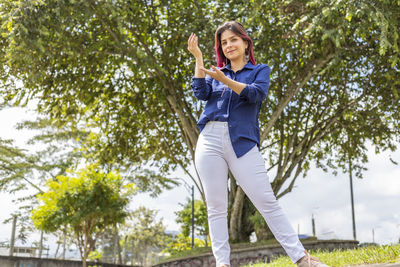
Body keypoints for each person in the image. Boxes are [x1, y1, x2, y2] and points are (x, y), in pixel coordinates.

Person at [187, 21, 330, 267]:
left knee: (266, 201)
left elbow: (255, 94)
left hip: (242, 142)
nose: (229, 45)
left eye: (233, 39)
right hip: (209, 139)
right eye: (224, 42)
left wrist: (226, 79)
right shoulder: (216, 72)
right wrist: (198, 58)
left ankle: (302, 259)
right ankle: (222, 264)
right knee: (216, 206)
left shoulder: (259, 70)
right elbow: (199, 92)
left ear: (245, 42)